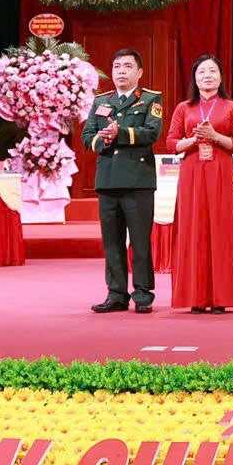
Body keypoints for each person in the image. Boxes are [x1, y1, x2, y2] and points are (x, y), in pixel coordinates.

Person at [81, 48, 164, 314]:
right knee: (112, 242)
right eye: (117, 66)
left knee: (139, 241)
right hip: (108, 180)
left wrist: (120, 133)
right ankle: (116, 293)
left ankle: (143, 293)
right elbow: (87, 137)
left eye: (127, 66)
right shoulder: (101, 101)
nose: (121, 71)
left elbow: (151, 133)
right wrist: (103, 139)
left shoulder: (151, 99)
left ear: (139, 72)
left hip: (138, 180)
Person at [164, 55, 233, 314]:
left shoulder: (231, 107)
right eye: (201, 72)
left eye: (212, 71)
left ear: (221, 77)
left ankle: (221, 297)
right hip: (192, 173)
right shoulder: (184, 108)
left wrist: (215, 136)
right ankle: (196, 297)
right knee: (193, 230)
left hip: (221, 171)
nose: (207, 76)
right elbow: (171, 143)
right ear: (195, 78)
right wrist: (193, 140)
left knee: (221, 230)